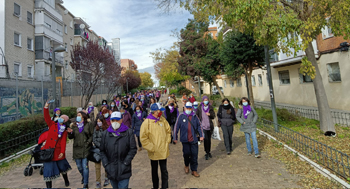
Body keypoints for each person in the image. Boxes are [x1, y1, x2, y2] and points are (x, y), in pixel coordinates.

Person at [100, 112, 137, 189]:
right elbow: (102, 151)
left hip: (124, 169)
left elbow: (132, 149)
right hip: (111, 170)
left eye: (117, 120)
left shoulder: (128, 132)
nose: (115, 122)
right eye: (113, 120)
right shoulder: (105, 134)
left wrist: (126, 162)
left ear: (121, 120)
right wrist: (106, 164)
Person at [140, 103, 171, 189]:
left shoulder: (162, 120)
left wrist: (167, 141)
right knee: (154, 171)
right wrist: (151, 148)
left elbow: (168, 131)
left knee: (164, 170)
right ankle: (155, 187)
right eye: (159, 110)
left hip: (163, 150)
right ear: (155, 111)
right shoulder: (147, 123)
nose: (161, 112)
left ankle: (164, 187)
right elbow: (143, 138)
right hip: (153, 152)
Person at [41, 102, 71, 188]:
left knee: (62, 168)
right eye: (60, 118)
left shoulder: (64, 130)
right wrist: (46, 107)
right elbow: (46, 117)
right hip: (48, 151)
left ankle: (66, 180)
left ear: (65, 121)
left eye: (63, 119)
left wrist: (62, 151)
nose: (61, 119)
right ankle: (49, 187)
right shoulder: (52, 125)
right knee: (48, 170)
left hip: (57, 152)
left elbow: (63, 142)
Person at [174, 102, 204, 177]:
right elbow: (176, 127)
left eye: (190, 108)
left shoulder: (195, 116)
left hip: (194, 139)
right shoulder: (181, 116)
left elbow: (199, 126)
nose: (188, 109)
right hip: (185, 140)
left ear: (192, 108)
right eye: (187, 108)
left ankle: (194, 170)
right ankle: (186, 165)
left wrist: (201, 135)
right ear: (184, 108)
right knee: (186, 154)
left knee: (194, 155)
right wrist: (175, 137)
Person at [67, 111, 95, 188]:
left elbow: (92, 134)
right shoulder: (74, 126)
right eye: (77, 115)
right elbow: (70, 137)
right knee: (79, 167)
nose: (77, 116)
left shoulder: (88, 124)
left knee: (85, 167)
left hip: (86, 148)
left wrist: (88, 142)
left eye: (79, 115)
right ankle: (83, 176)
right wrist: (70, 133)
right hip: (77, 149)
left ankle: (86, 183)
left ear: (83, 116)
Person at [196, 96, 215, 160]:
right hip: (203, 126)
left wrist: (210, 114)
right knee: (205, 139)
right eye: (205, 100)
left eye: (207, 100)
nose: (206, 101)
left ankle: (209, 151)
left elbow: (213, 116)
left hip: (209, 126)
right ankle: (206, 152)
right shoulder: (200, 108)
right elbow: (197, 116)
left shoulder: (210, 107)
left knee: (209, 140)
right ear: (203, 101)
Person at [93, 116, 110, 188]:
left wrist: (104, 146)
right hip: (98, 150)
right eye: (97, 121)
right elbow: (94, 139)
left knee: (106, 164)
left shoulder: (107, 128)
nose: (98, 122)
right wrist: (99, 145)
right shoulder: (95, 129)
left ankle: (107, 178)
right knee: (97, 166)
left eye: (100, 121)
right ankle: (98, 181)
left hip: (106, 149)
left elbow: (109, 138)